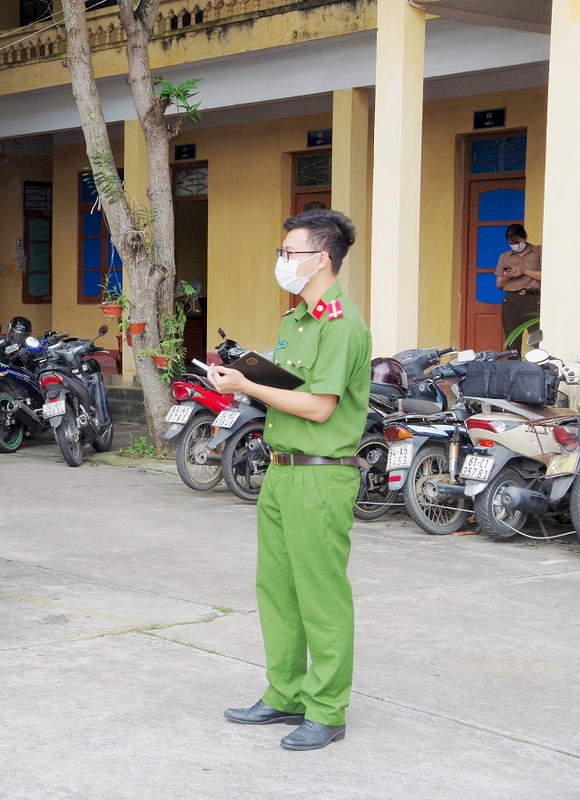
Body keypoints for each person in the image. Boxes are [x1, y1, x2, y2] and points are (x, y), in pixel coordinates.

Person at [209, 209, 371, 751]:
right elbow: (291, 387)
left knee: (321, 597)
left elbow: (320, 407)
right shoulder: (296, 320)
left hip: (321, 478)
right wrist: (247, 375)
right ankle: (285, 693)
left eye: (290, 253)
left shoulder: (342, 325)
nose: (282, 261)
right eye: (282, 252)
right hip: (281, 473)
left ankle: (327, 710)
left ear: (321, 259)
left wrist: (247, 387)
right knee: (277, 591)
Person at [494, 223, 542, 351]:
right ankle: (513, 369)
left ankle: (539, 369)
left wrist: (524, 271)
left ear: (525, 237)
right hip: (512, 300)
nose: (515, 245)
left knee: (538, 340)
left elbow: (547, 276)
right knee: (512, 342)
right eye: (511, 242)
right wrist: (508, 276)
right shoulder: (505, 257)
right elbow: (499, 285)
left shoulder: (538, 252)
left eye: (517, 241)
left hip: (533, 299)